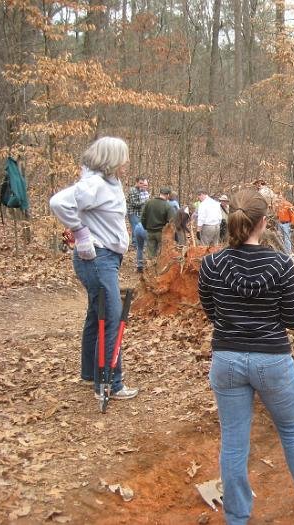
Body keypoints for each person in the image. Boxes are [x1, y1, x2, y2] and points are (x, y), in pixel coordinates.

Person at [198, 188, 294, 523]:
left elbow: (212, 312)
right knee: (292, 431)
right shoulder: (281, 263)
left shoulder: (210, 264)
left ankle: (237, 517)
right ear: (263, 223)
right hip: (272, 360)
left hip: (227, 359)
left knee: (234, 442)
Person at [49, 137, 138, 400]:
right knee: (111, 318)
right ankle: (110, 382)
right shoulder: (95, 184)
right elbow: (58, 203)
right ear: (111, 160)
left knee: (96, 314)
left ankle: (91, 373)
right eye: (123, 157)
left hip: (106, 258)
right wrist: (80, 231)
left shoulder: (110, 183)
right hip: (98, 259)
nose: (127, 162)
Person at [141, 187, 176, 258]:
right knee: (162, 255)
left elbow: (143, 217)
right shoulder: (168, 206)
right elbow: (172, 222)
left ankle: (151, 268)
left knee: (151, 255)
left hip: (150, 232)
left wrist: (146, 227)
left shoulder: (149, 203)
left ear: (160, 193)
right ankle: (159, 268)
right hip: (162, 233)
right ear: (168, 195)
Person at [126, 177, 149, 248]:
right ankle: (135, 244)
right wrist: (144, 202)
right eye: (140, 183)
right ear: (136, 182)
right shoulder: (133, 190)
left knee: (137, 227)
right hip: (132, 212)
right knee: (135, 228)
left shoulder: (139, 190)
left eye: (143, 183)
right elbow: (134, 204)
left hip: (138, 212)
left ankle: (135, 243)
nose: (142, 185)